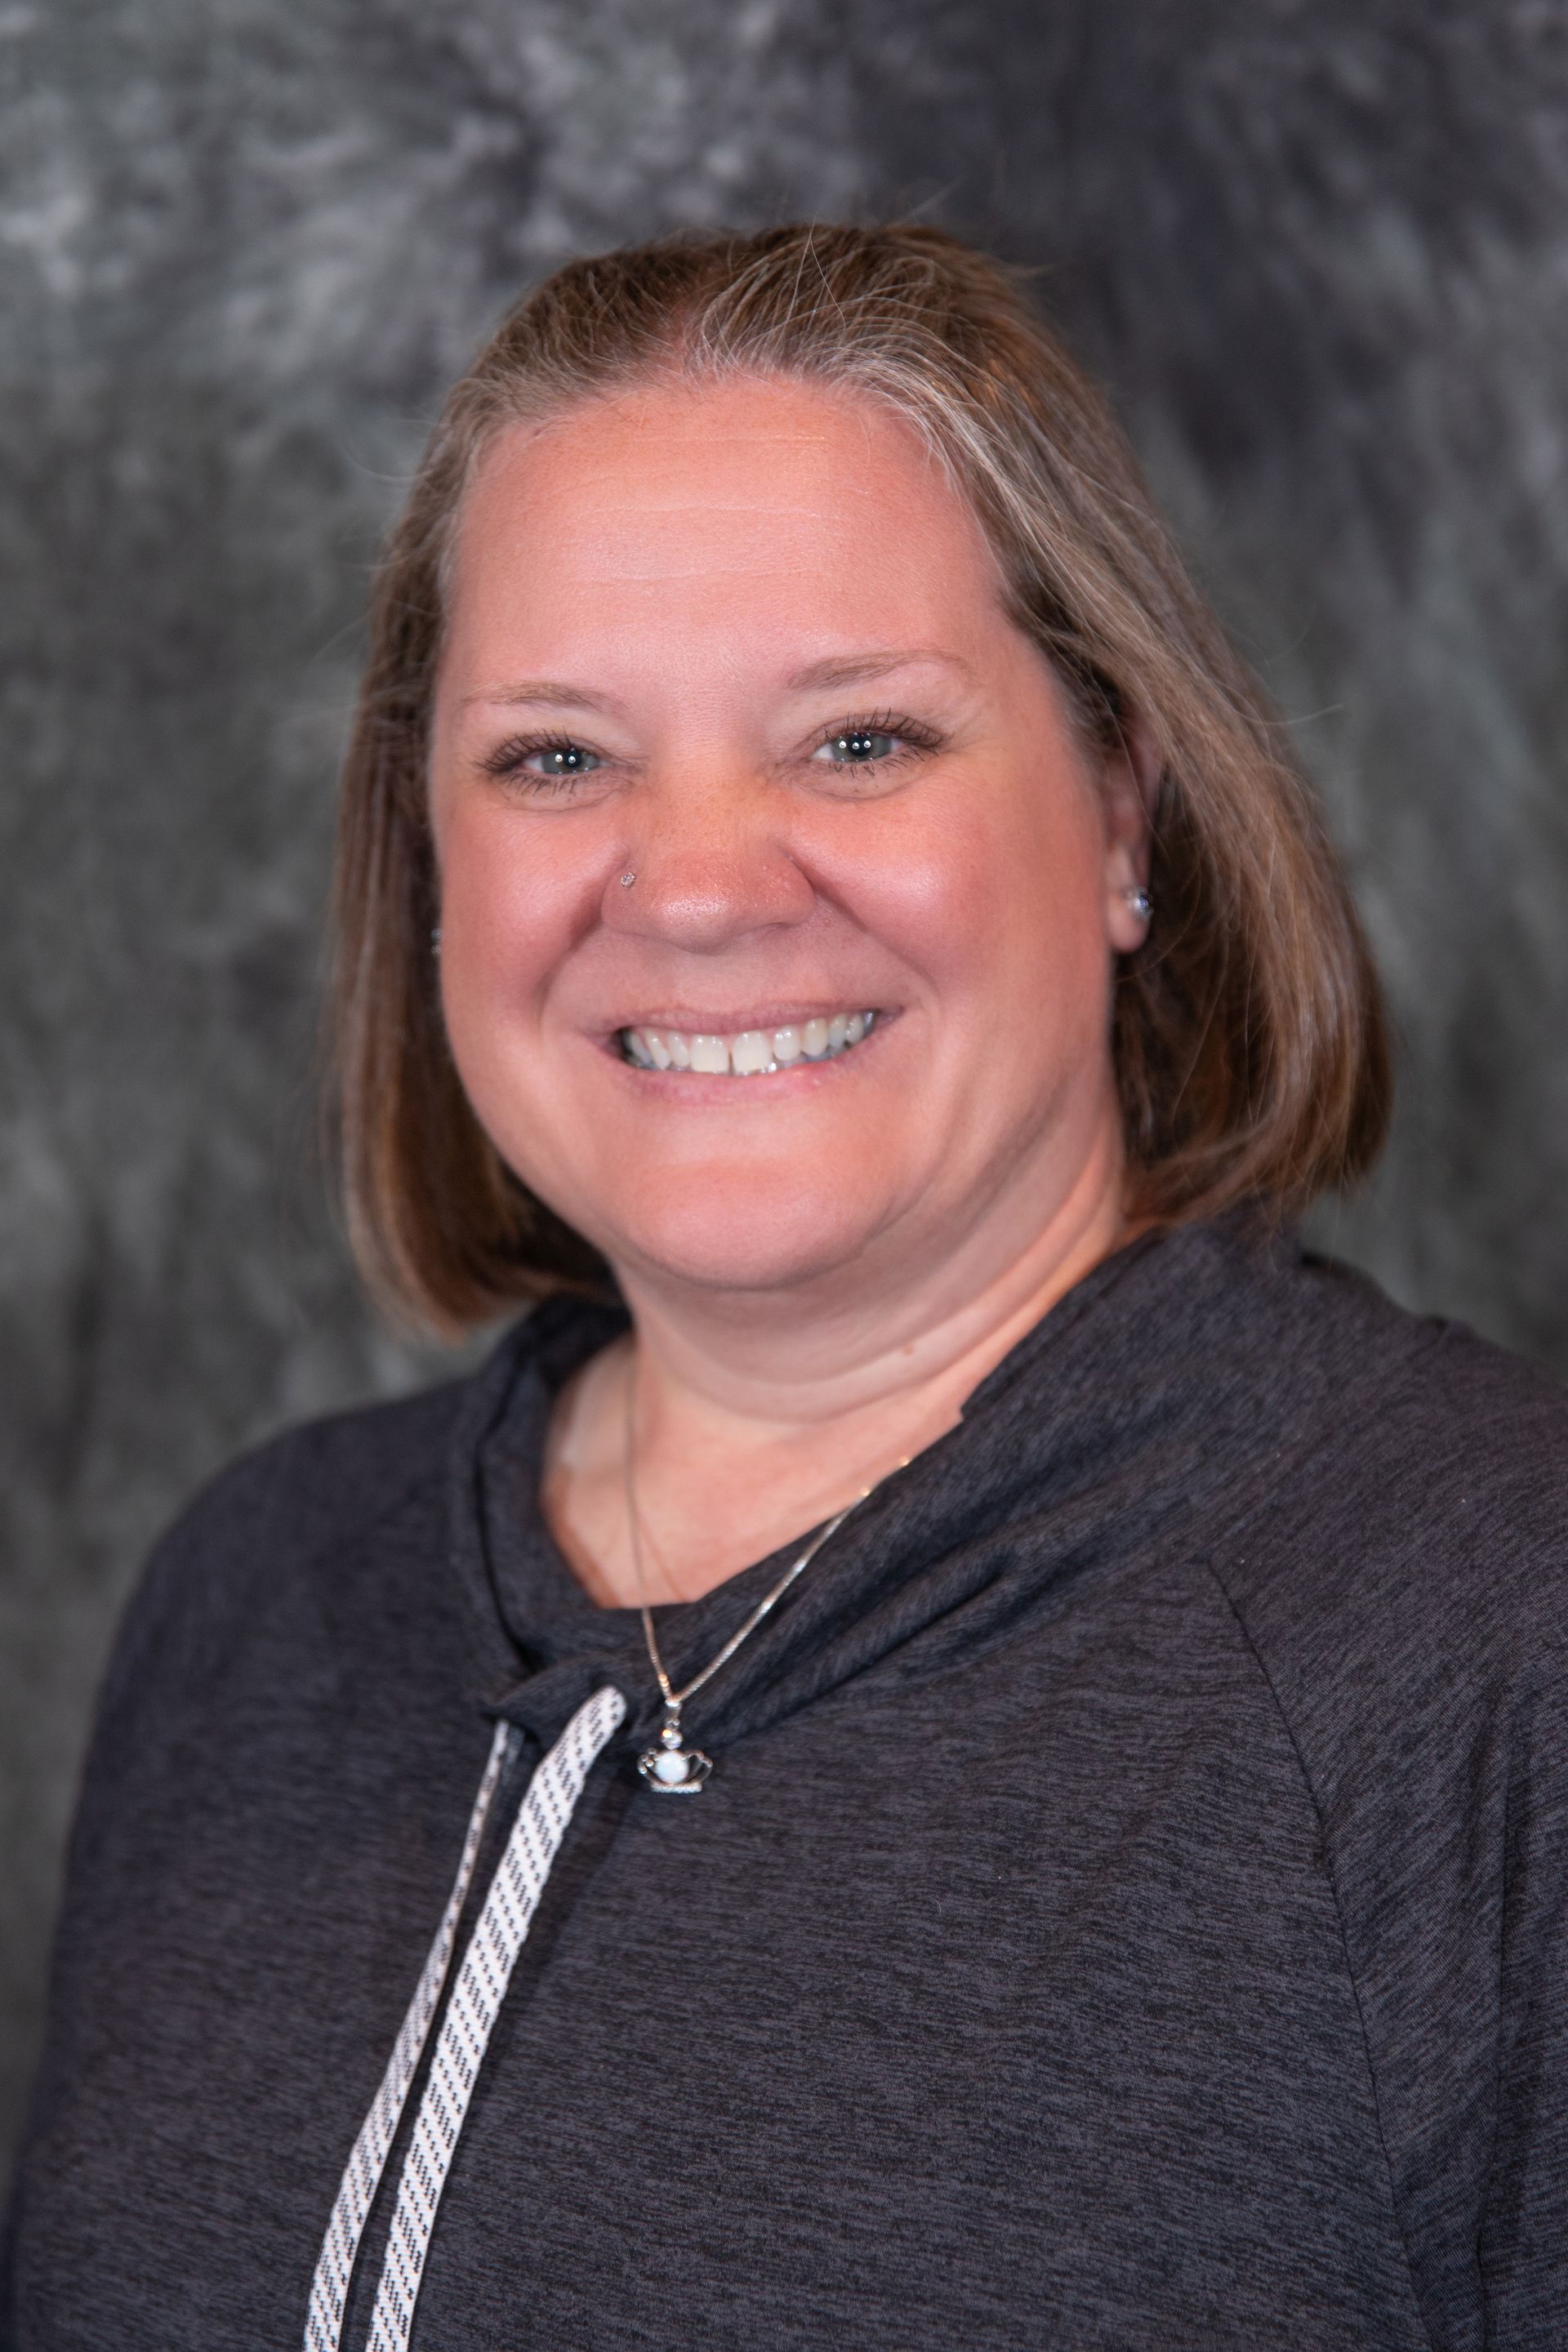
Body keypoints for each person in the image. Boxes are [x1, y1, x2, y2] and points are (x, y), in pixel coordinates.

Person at [4, 221, 1566, 2352]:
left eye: (859, 741)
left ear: (1124, 809)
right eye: (558, 757)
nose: (709, 886)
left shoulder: (1489, 1636)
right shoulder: (258, 1598)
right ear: (430, 858)